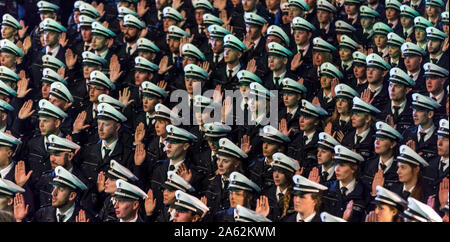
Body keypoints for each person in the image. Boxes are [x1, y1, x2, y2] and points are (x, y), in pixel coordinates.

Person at [321, 145, 369, 222]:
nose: (337, 169)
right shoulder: (326, 189)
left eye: (342, 165)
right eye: (336, 164)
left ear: (354, 168)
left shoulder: (365, 193)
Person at [260, 152, 300, 221]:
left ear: (288, 175)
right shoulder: (266, 194)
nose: (276, 175)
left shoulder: (296, 196)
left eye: (281, 172)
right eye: (274, 171)